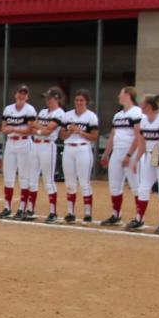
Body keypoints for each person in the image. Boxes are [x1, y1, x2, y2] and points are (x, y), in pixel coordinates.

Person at [130, 94, 159, 233]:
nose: (141, 107)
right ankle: (139, 218)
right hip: (150, 153)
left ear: (148, 106)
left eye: (143, 104)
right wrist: (136, 159)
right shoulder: (144, 122)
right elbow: (143, 143)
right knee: (144, 187)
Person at [99, 86, 143, 226]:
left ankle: (139, 218)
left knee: (135, 186)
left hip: (130, 151)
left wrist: (129, 155)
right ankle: (116, 215)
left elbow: (138, 136)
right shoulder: (118, 115)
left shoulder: (137, 112)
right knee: (114, 185)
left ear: (128, 95)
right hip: (117, 151)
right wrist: (106, 153)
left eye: (121, 93)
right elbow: (113, 136)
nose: (119, 96)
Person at [59, 89, 99, 223]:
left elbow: (94, 136)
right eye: (77, 100)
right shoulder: (67, 115)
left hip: (83, 148)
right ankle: (71, 212)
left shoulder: (91, 116)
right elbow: (62, 135)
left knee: (84, 182)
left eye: (82, 100)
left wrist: (80, 132)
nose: (79, 103)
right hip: (69, 148)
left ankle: (88, 213)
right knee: (70, 182)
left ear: (86, 101)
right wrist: (70, 132)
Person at [0, 84, 37, 219]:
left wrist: (14, 129)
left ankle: (22, 208)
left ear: (27, 97)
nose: (21, 96)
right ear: (16, 94)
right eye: (20, 93)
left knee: (24, 177)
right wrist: (15, 129)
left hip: (24, 143)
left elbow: (31, 129)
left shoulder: (30, 109)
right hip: (11, 143)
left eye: (24, 94)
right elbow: (3, 128)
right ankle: (7, 207)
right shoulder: (8, 109)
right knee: (8, 176)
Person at [32, 88, 65, 223]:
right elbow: (33, 125)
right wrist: (40, 129)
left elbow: (47, 131)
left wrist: (38, 128)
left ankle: (52, 212)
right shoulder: (43, 112)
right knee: (32, 178)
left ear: (56, 98)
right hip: (36, 144)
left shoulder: (59, 113)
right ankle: (30, 209)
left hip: (48, 145)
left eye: (49, 98)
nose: (47, 100)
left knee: (48, 180)